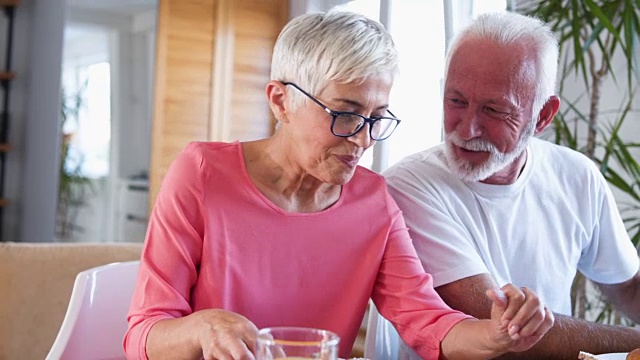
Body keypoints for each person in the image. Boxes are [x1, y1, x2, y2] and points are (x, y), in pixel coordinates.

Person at [124, 9, 555, 360]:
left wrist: (499, 334)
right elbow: (143, 334)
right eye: (345, 113)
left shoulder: (374, 203)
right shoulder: (202, 174)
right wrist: (202, 326)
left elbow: (429, 323)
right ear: (281, 100)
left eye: (376, 117)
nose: (363, 138)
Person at [383, 10, 640, 359]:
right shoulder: (408, 187)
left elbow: (628, 284)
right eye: (456, 100)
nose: (467, 128)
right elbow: (505, 335)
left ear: (543, 116)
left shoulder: (577, 175)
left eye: (494, 111)